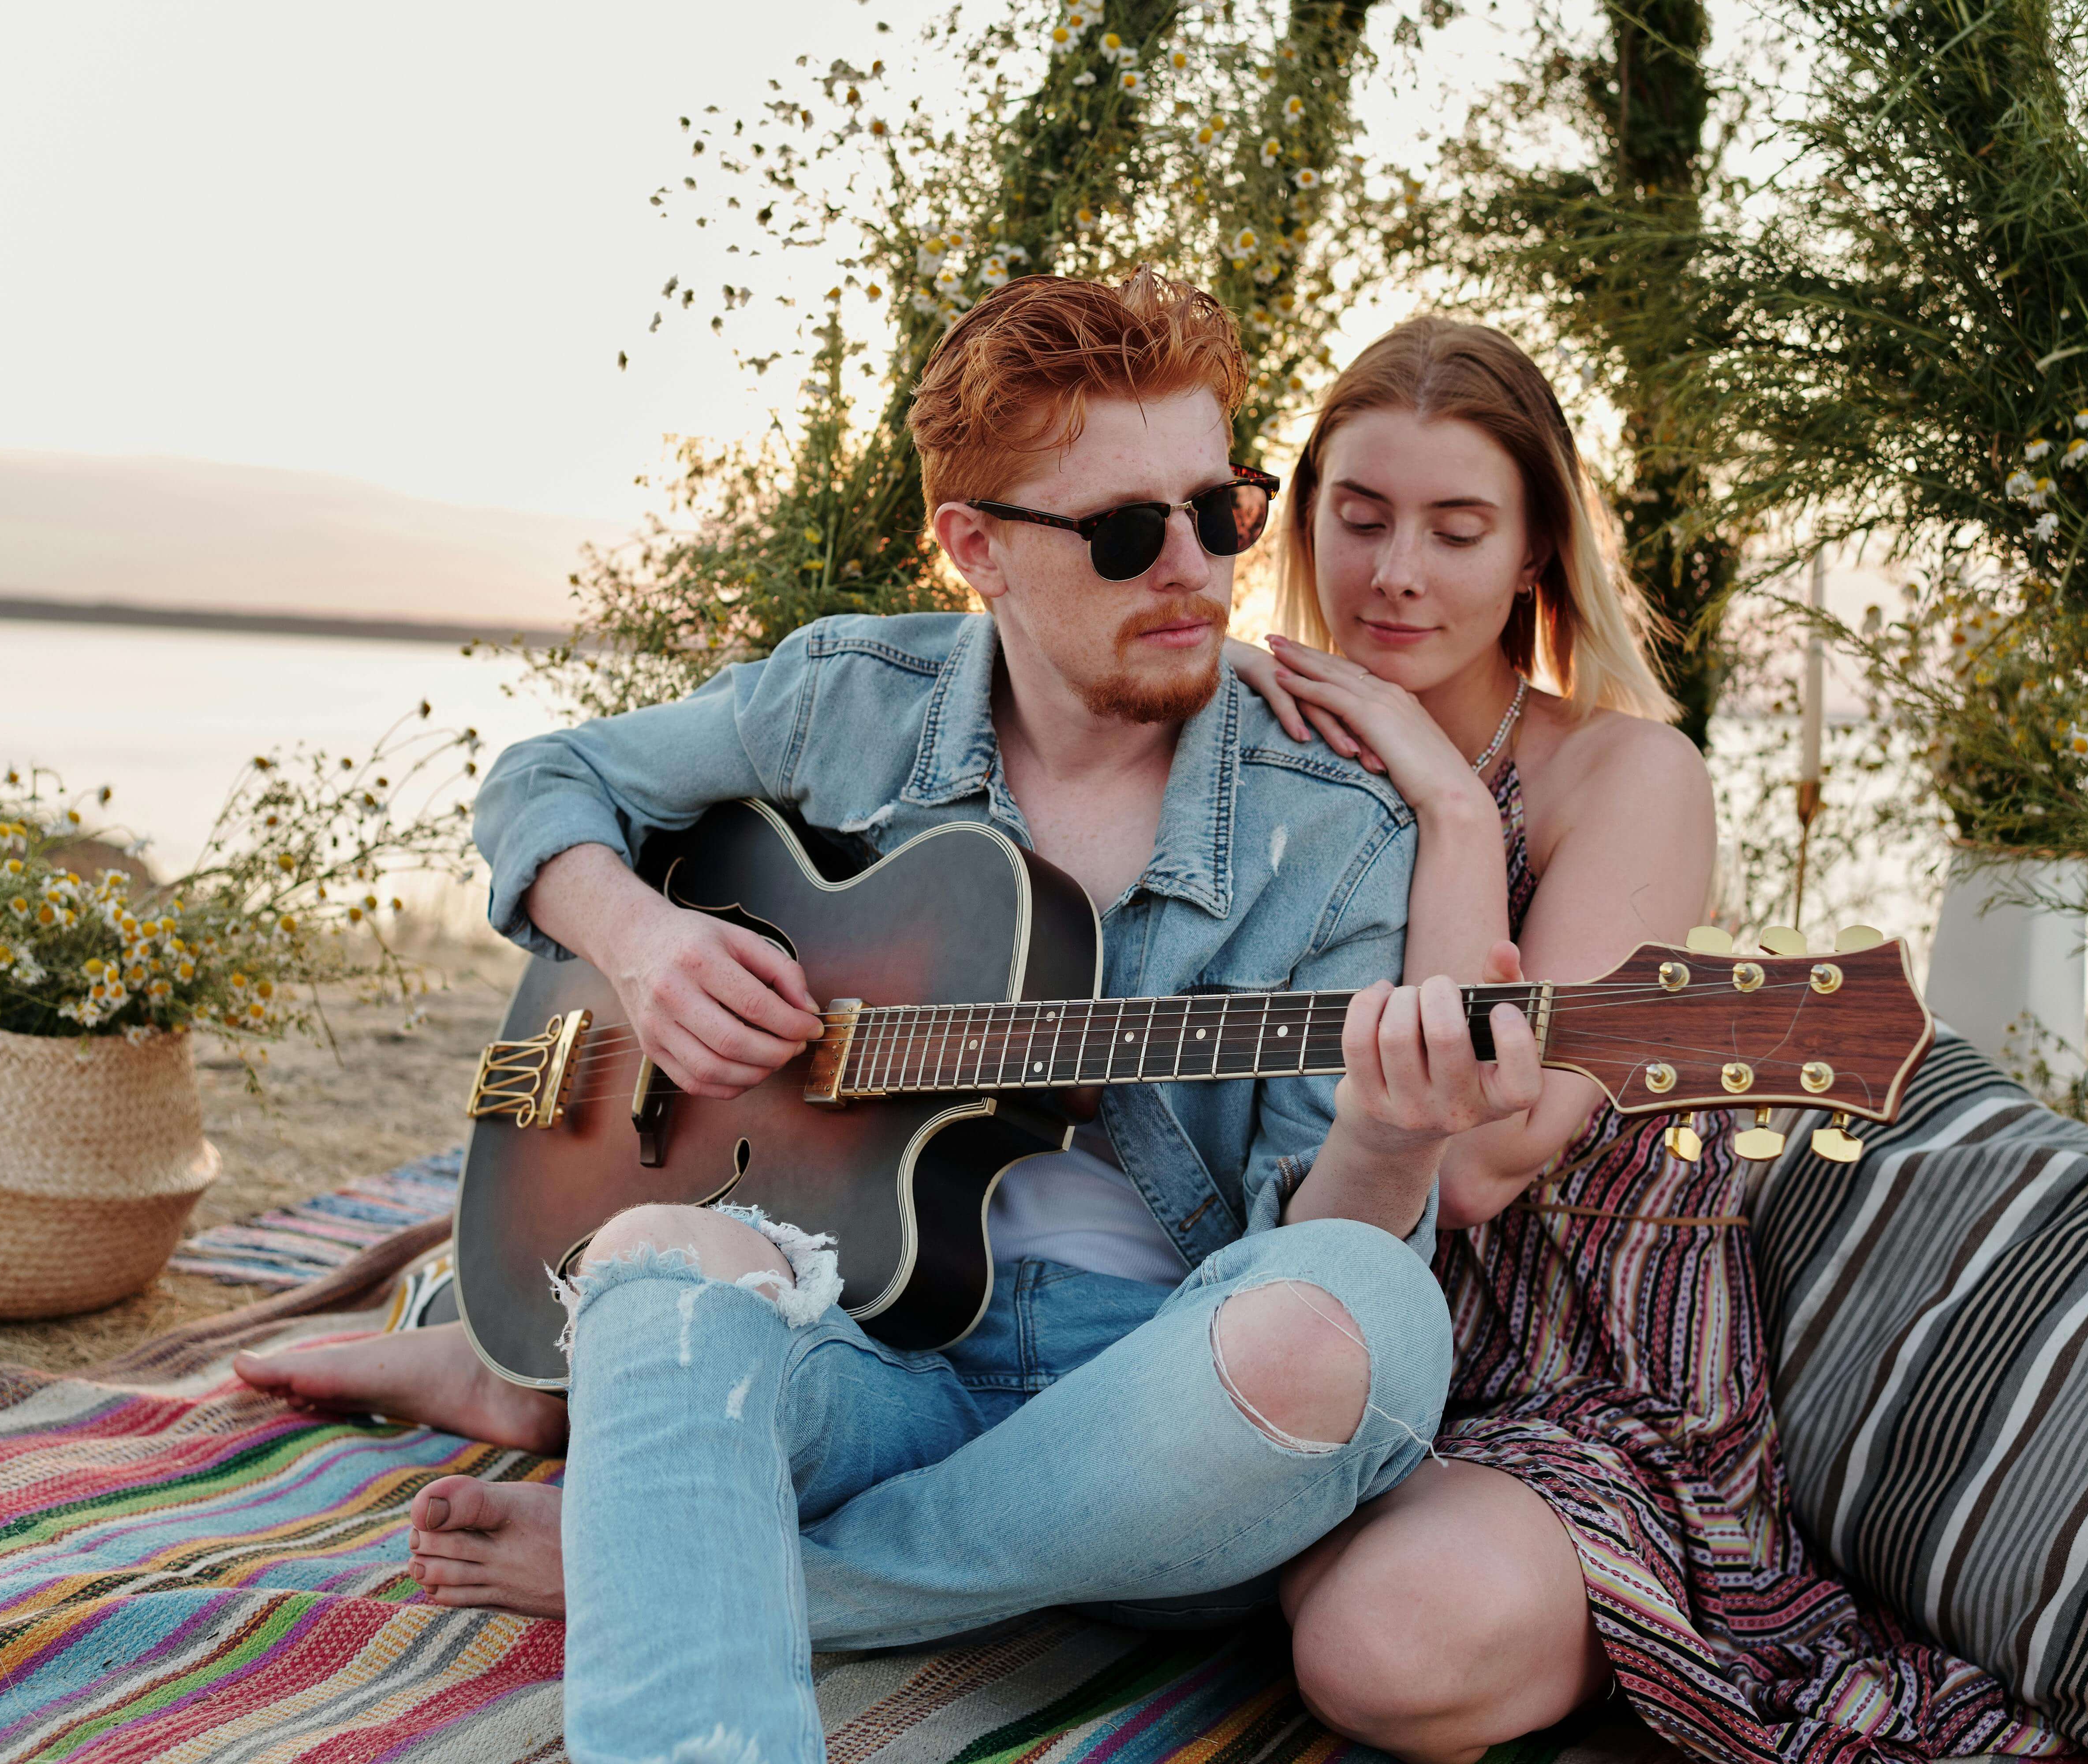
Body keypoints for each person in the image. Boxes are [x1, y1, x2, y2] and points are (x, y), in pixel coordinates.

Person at [239, 272, 1543, 1760]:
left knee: (1359, 1315)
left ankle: (749, 1572)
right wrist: (645, 940)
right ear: (975, 546)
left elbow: (1334, 1235)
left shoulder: (1339, 827)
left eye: (1219, 511)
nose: (1192, 568)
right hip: (865, 1359)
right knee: (652, 1260)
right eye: (1126, 533)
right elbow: (546, 781)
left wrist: (1388, 1131)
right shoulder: (849, 698)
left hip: (1155, 1418)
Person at [1221, 318, 2074, 1764]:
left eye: (1457, 528)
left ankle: (1482, 1579)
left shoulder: (1628, 773)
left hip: (1573, 1376)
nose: (1397, 573)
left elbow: (1492, 1154)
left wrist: (1442, 798)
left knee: (1386, 1644)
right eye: (1358, 520)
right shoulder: (1248, 754)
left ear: (1536, 551)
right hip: (1299, 1316)